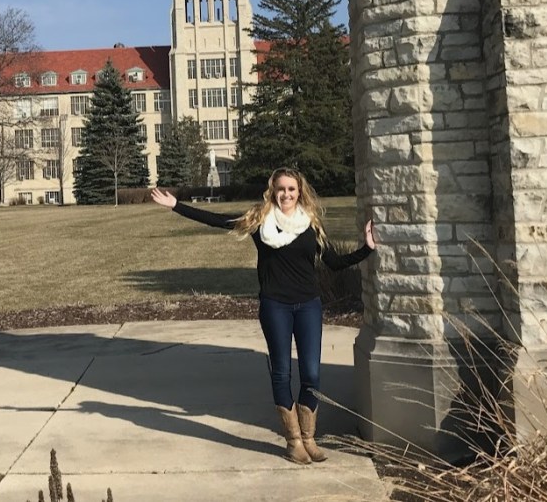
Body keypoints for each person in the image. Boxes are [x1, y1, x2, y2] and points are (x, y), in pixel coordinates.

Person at [150, 168, 377, 465]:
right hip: (275, 307)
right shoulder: (260, 222)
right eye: (281, 189)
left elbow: (334, 263)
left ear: (300, 192)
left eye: (292, 189)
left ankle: (310, 438)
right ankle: (294, 441)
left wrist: (366, 250)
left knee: (311, 374)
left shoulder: (310, 224)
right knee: (281, 372)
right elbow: (219, 221)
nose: (286, 194)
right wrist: (176, 206)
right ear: (273, 191)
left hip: (308, 305)